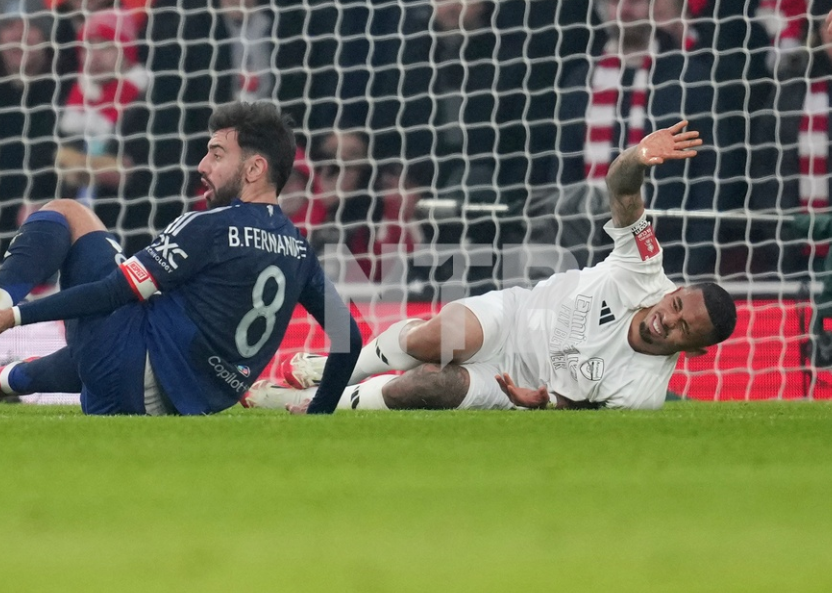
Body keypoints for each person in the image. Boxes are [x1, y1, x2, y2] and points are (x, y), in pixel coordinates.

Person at [245, 121, 737, 413]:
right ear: (672, 291)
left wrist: (538, 402)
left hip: (511, 383)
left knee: (427, 384)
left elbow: (580, 411)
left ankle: (317, 402)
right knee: (439, 337)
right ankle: (342, 367)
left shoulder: (644, 393)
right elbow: (623, 188)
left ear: (691, 351)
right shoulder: (646, 268)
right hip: (513, 318)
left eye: (681, 327)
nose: (666, 317)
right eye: (676, 304)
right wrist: (638, 156)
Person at [0, 101, 362, 416]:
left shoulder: (210, 227)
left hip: (125, 374)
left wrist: (16, 315)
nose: (203, 165)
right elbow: (349, 337)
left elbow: (112, 294)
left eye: (217, 154)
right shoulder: (299, 251)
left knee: (68, 211)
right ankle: (6, 380)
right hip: (184, 398)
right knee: (140, 320)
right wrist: (319, 409)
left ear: (254, 169)